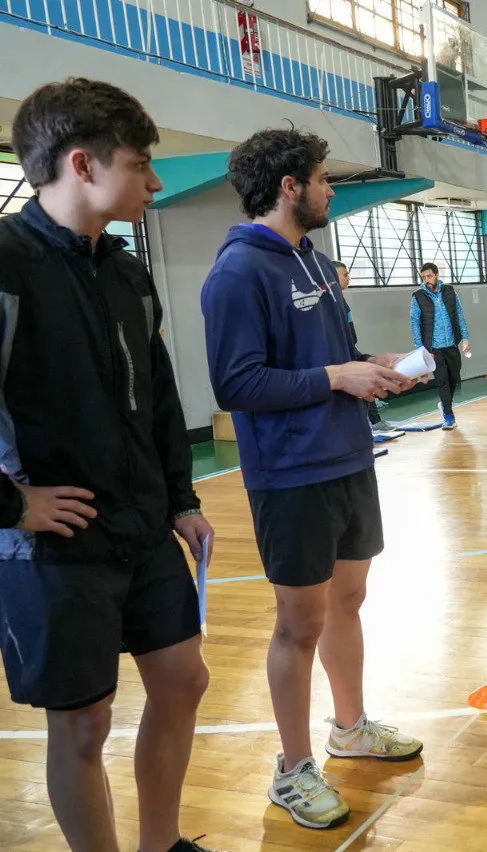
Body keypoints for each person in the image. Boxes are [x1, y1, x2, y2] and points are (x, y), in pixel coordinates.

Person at [0, 77, 217, 852]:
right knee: (84, 724)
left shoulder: (124, 271)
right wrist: (12, 505)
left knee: (184, 679)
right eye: (143, 163)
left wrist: (181, 499)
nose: (156, 181)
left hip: (138, 524)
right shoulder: (7, 263)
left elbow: (157, 394)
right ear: (84, 164)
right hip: (52, 544)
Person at [202, 128, 424, 830]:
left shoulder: (317, 263)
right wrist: (336, 376)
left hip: (348, 457)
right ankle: (292, 768)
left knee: (348, 600)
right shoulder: (238, 273)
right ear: (290, 186)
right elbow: (237, 383)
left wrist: (368, 367)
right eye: (325, 178)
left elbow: (333, 357)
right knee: (299, 624)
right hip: (290, 473)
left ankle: (349, 727)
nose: (332, 190)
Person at [335, 261, 397, 433]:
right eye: (345, 274)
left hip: (350, 349)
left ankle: (374, 422)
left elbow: (349, 331)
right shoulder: (330, 302)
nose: (349, 278)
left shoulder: (341, 300)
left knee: (367, 380)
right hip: (341, 354)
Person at [410, 261, 471, 430]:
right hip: (433, 348)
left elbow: (459, 314)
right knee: (442, 380)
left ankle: (445, 404)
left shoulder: (450, 291)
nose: (427, 280)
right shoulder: (418, 296)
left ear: (437, 275)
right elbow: (414, 322)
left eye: (429, 276)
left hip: (451, 344)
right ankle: (449, 415)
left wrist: (466, 337)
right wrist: (420, 348)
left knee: (453, 378)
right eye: (424, 277)